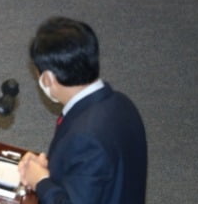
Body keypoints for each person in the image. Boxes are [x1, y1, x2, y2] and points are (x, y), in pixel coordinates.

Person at [18, 17, 147, 204]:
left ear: (47, 79)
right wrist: (51, 170)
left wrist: (41, 181)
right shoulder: (122, 103)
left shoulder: (85, 138)